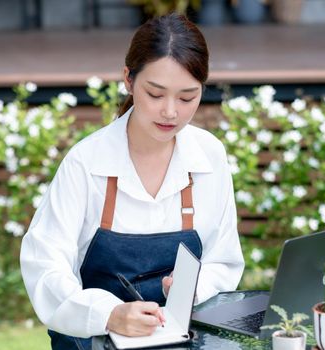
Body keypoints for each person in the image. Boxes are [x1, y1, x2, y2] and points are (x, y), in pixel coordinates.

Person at [20, 13, 244, 350]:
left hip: (180, 338)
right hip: (91, 339)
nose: (170, 112)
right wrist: (109, 314)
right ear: (128, 79)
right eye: (155, 94)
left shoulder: (209, 155)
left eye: (187, 98)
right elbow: (45, 266)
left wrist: (192, 288)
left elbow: (223, 259)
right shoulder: (86, 162)